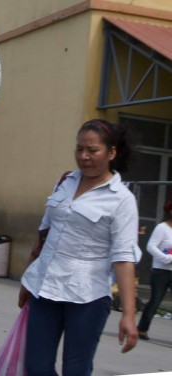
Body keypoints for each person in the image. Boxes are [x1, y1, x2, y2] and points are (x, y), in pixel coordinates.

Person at [18, 119, 139, 375]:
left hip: (88, 297)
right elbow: (44, 234)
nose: (84, 156)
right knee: (36, 367)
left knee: (76, 369)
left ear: (111, 152)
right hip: (45, 290)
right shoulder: (66, 181)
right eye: (79, 149)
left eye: (93, 150)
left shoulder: (122, 199)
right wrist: (28, 280)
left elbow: (123, 257)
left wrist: (129, 314)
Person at [137, 201, 172, 340]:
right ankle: (142, 329)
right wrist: (165, 258)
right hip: (161, 271)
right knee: (155, 300)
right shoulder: (162, 228)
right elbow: (151, 246)